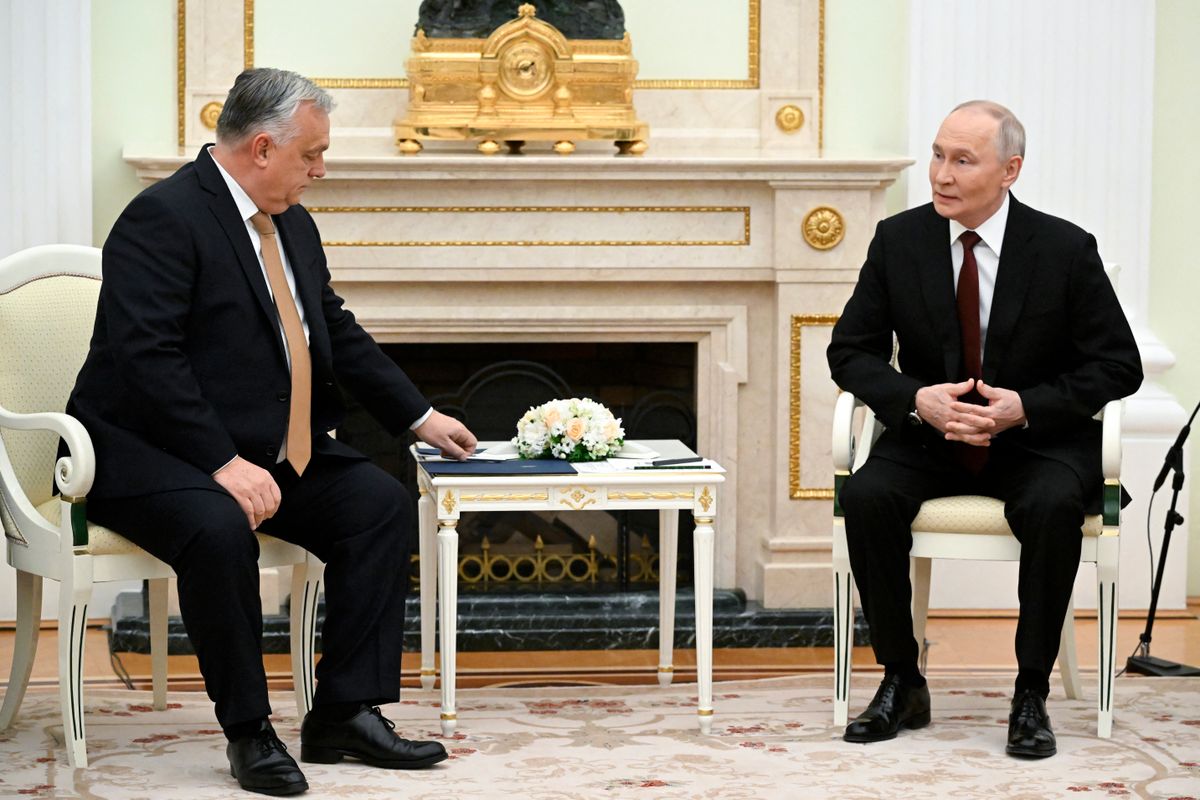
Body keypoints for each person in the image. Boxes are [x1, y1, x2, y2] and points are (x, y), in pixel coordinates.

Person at [66, 68, 477, 795]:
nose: (320, 170)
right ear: (262, 147)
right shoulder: (162, 216)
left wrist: (420, 414)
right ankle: (249, 732)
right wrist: (222, 461)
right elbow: (145, 359)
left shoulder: (290, 220)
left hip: (265, 451)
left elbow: (334, 334)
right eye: (311, 155)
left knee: (379, 507)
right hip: (148, 455)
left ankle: (344, 712)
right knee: (220, 529)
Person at [826, 100, 1142, 758]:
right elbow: (849, 351)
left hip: (1037, 442)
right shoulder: (899, 241)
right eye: (938, 154)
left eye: (962, 160)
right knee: (865, 496)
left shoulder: (1064, 248)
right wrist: (917, 399)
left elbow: (1118, 365)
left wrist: (1025, 406)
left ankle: (1031, 693)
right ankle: (902, 680)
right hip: (927, 440)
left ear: (1010, 170)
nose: (941, 173)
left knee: (1054, 504)